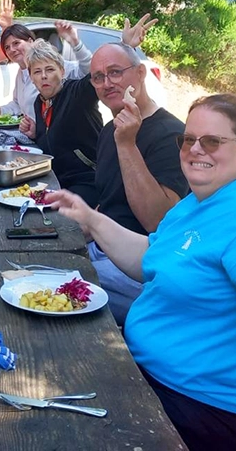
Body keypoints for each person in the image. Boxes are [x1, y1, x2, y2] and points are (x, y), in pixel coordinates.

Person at [49, 93, 236, 451]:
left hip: (230, 414)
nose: (196, 149)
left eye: (212, 141)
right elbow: (151, 258)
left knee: (61, 427)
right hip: (169, 383)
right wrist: (90, 217)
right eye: (188, 139)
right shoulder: (197, 202)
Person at [86, 41, 188, 324]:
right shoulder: (109, 130)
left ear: (141, 74)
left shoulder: (173, 135)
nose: (107, 83)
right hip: (99, 250)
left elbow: (157, 221)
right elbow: (109, 200)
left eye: (116, 72)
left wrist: (127, 144)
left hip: (138, 270)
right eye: (98, 77)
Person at [18, 40, 103, 201]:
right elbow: (53, 143)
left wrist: (125, 44)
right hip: (55, 179)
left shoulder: (77, 93)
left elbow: (98, 74)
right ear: (31, 77)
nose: (43, 76)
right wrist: (36, 134)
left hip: (88, 181)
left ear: (62, 72)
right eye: (37, 71)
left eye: (49, 69)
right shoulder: (40, 102)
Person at [0, 20, 92, 117]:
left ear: (30, 41)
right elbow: (18, 104)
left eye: (16, 43)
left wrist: (75, 42)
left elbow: (88, 70)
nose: (12, 49)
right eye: (7, 47)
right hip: (36, 136)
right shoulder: (21, 73)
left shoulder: (52, 64)